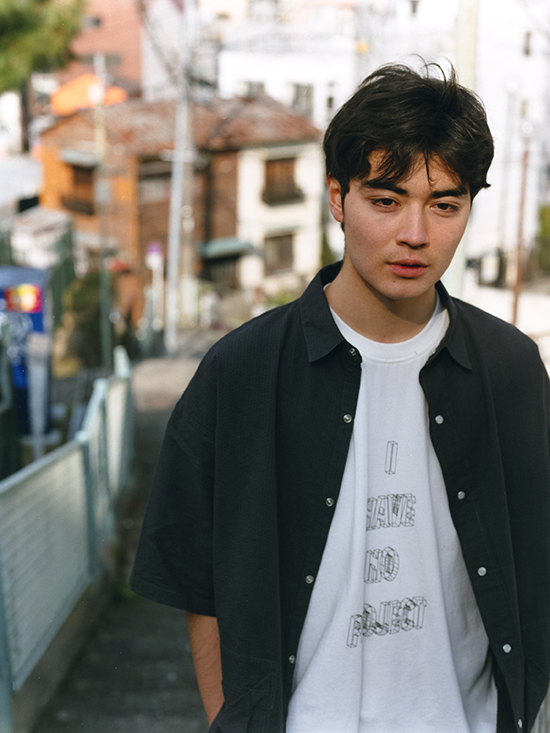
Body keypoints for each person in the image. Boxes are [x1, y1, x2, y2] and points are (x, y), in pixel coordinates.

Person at [130, 64, 550, 733]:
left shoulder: (511, 368)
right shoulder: (244, 371)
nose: (415, 233)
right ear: (337, 197)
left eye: (445, 205)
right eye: (386, 200)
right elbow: (196, 578)